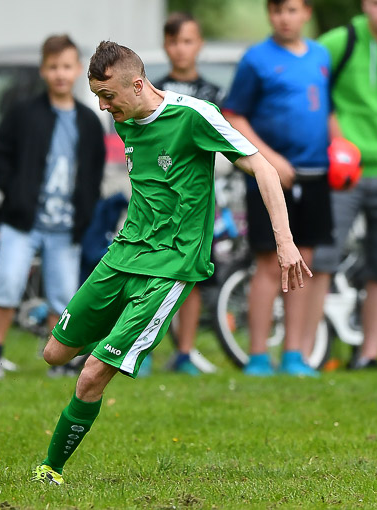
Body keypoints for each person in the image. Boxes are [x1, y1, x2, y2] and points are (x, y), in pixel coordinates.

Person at [31, 40, 311, 485]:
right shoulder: (124, 118)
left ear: (138, 84)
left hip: (171, 267)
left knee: (90, 375)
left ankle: (50, 470)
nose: (103, 107)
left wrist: (285, 241)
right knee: (53, 353)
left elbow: (264, 168)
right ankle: (117, 336)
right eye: (97, 96)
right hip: (123, 254)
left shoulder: (194, 116)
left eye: (108, 96)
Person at [0, 34, 106, 378]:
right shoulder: (23, 113)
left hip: (66, 226)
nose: (60, 74)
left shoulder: (88, 121)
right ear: (42, 70)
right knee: (7, 283)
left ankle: (57, 363)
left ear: (78, 70)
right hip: (23, 221)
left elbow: (94, 173)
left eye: (66, 66)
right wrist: (14, 193)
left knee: (63, 296)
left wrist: (86, 210)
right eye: (53, 67)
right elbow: (1, 154)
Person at [222, 0, 333, 376]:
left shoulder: (320, 56)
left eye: (293, 9)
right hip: (270, 179)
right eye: (278, 10)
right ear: (270, 13)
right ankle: (257, 357)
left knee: (305, 263)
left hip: (315, 175)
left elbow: (327, 110)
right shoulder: (256, 59)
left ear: (307, 12)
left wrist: (341, 147)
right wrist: (270, 162)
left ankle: (294, 355)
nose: (285, 17)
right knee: (270, 263)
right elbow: (233, 115)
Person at [305, 0, 377, 370]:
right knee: (322, 261)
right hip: (344, 172)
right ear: (364, 5)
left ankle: (369, 354)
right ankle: (303, 354)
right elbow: (310, 83)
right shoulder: (342, 41)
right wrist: (335, 135)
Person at [152, 11, 227, 375]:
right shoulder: (152, 91)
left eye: (188, 41)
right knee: (150, 273)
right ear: (165, 45)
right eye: (174, 41)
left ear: (199, 45)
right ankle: (142, 350)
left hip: (196, 202)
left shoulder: (214, 94)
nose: (181, 49)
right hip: (158, 199)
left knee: (190, 276)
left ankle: (185, 352)